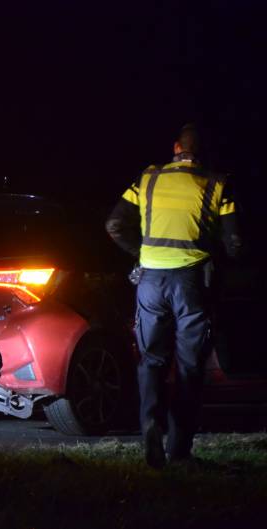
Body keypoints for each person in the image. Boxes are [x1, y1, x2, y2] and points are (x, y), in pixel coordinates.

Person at [105, 124, 243, 469]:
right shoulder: (217, 184)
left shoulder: (147, 179)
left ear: (176, 147)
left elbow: (114, 225)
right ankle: (179, 449)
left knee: (151, 360)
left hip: (150, 281)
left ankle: (150, 426)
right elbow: (235, 243)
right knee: (190, 366)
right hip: (192, 283)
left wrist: (141, 255)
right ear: (202, 151)